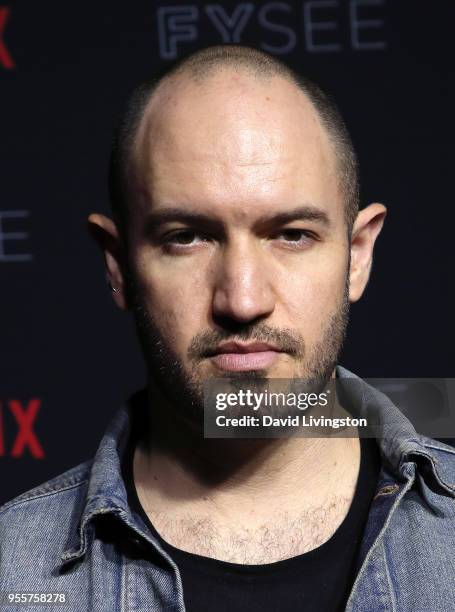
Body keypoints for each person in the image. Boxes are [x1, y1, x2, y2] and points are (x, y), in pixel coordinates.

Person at [1, 44, 455, 612]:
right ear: (118, 265)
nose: (243, 301)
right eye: (187, 236)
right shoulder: (12, 576)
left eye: (291, 234)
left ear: (357, 256)